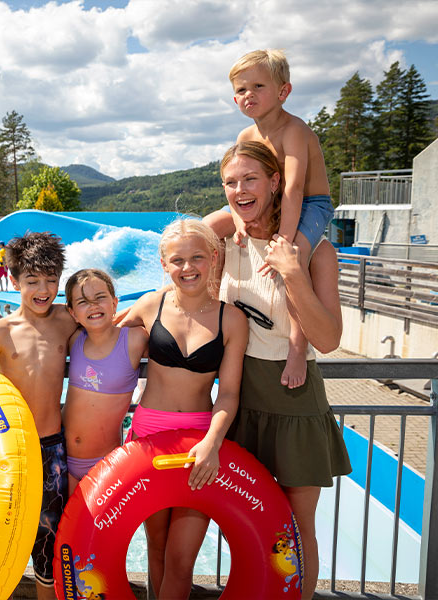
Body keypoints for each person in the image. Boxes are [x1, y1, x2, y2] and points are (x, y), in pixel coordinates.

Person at [217, 141, 351, 600]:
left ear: (277, 183)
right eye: (230, 183)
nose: (240, 190)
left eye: (250, 179)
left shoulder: (317, 252)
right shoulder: (225, 241)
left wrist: (293, 272)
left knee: (298, 525)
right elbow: (176, 242)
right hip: (238, 395)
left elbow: (329, 339)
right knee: (244, 518)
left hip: (293, 397)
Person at [117, 218, 248, 599]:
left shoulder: (231, 318)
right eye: (177, 260)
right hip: (148, 440)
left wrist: (213, 442)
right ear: (164, 263)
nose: (187, 268)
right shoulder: (149, 305)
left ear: (213, 257)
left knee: (180, 560)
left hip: (198, 446)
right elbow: (98, 327)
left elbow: (229, 394)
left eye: (196, 258)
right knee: (156, 550)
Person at [0, 232, 78, 599]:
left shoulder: (66, 320)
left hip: (52, 451)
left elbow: (108, 320)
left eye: (51, 280)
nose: (44, 289)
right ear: (14, 280)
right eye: (33, 281)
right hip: (7, 455)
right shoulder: (0, 331)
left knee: (47, 547)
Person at [204, 49, 333, 391]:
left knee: (293, 262)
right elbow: (238, 182)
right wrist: (238, 220)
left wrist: (284, 242)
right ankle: (208, 310)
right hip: (264, 200)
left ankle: (296, 345)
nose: (249, 95)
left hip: (310, 204)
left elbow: (292, 189)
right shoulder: (246, 138)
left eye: (258, 86)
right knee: (205, 230)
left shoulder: (295, 131)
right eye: (242, 89)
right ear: (235, 98)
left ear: (283, 91)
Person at [63, 269, 147, 493]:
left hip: (105, 463)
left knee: (100, 527)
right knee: (64, 528)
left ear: (114, 303)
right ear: (73, 314)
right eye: (83, 302)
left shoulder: (134, 340)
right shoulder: (73, 340)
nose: (93, 306)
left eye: (100, 297)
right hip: (65, 462)